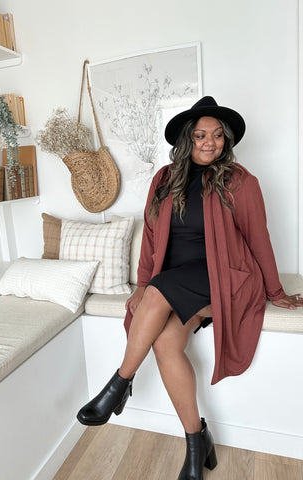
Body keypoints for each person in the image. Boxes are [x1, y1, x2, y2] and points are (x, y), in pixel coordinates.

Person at [77, 96, 303, 480]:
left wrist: (275, 291)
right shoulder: (164, 179)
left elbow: (259, 238)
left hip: (226, 277)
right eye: (200, 135)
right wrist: (144, 283)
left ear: (227, 140)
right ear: (187, 138)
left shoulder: (241, 182)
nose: (209, 142)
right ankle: (198, 442)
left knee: (160, 291)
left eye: (217, 135)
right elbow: (150, 236)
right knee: (165, 342)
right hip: (176, 283)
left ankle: (119, 384)